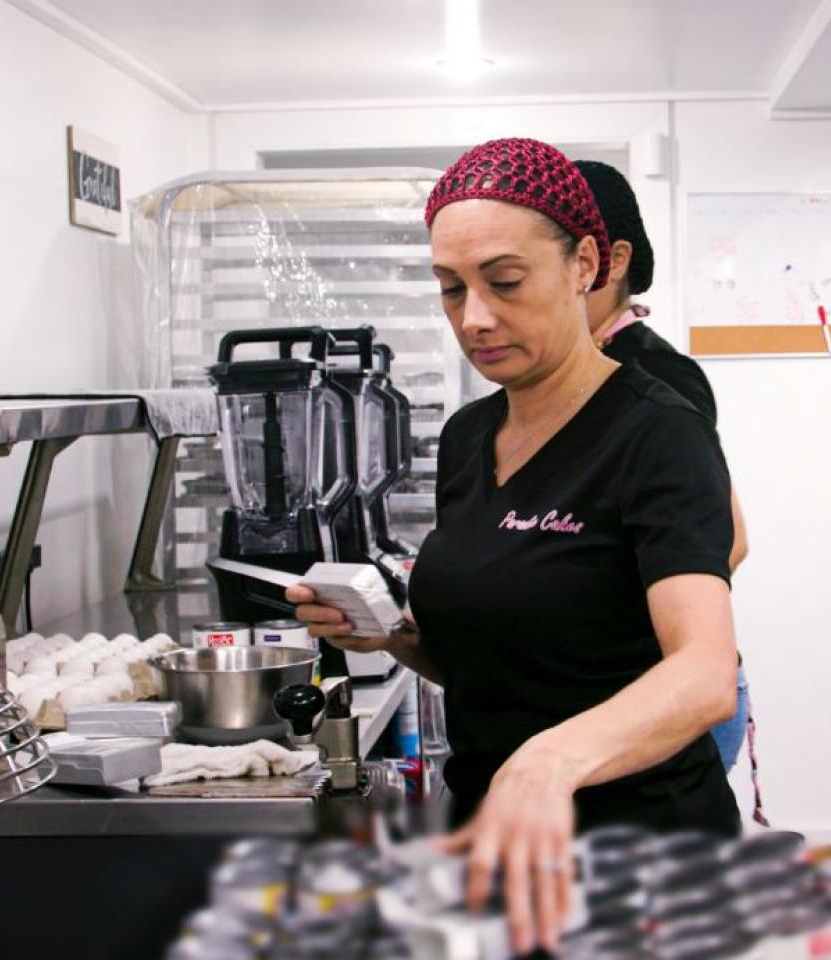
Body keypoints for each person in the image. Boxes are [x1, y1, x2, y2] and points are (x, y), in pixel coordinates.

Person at [286, 139, 739, 955]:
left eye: (504, 282)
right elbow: (497, 658)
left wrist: (552, 759)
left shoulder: (657, 431)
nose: (475, 318)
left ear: (586, 266)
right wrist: (387, 635)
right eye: (451, 289)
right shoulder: (468, 438)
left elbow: (703, 676)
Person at [575, 159, 752, 772]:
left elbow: (729, 541)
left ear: (610, 262)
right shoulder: (573, 378)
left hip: (660, 698)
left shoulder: (656, 375)